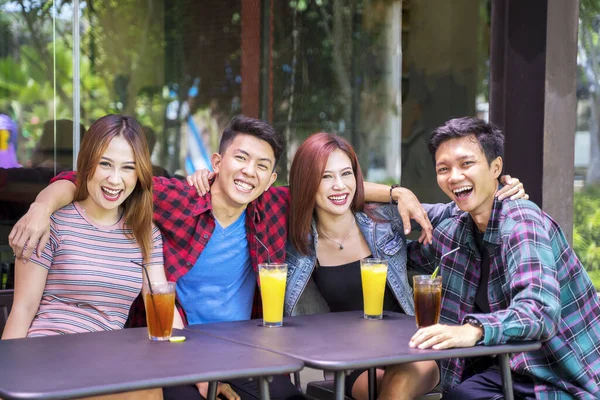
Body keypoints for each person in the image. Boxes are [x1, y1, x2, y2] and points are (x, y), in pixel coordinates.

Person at [9, 115, 440, 400]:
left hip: (247, 349)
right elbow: (92, 179)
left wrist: (399, 192)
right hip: (176, 352)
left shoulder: (271, 206)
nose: (248, 171)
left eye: (262, 165)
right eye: (240, 158)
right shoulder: (172, 200)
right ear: (217, 162)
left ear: (272, 179)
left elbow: (333, 188)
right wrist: (42, 207)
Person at [283, 132, 527, 400]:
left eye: (346, 174)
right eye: (325, 177)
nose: (339, 185)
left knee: (399, 383)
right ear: (308, 182)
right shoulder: (296, 239)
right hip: (355, 360)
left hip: (416, 348)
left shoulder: (384, 221)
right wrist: (395, 192)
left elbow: (459, 209)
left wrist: (498, 189)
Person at [408, 117, 600, 399]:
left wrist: (473, 330)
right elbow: (396, 245)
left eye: (466, 164)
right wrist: (395, 194)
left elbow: (540, 311)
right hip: (504, 369)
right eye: (443, 169)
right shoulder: (458, 228)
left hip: (560, 375)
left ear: (495, 167)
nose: (454, 176)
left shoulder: (522, 222)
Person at [2, 114, 183, 339]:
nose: (115, 180)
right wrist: (10, 371)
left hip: (105, 361)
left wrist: (187, 362)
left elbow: (161, 306)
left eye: (127, 168)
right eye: (105, 164)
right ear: (87, 163)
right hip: (47, 352)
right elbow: (23, 310)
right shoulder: (52, 222)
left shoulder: (146, 234)